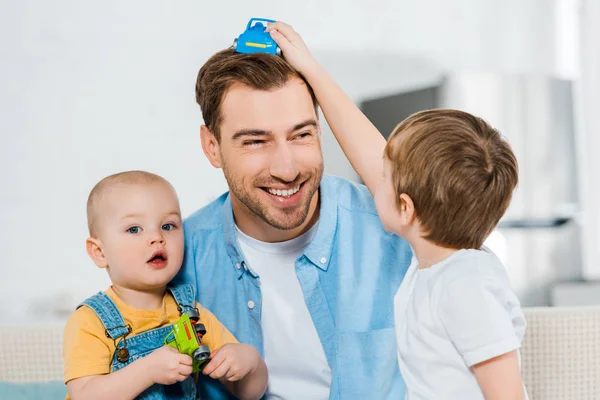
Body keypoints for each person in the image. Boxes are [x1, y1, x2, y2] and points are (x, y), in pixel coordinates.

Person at [265, 21, 528, 399]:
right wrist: (310, 68)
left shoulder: (465, 285)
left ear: (406, 208)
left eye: (384, 175)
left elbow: (507, 395)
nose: (372, 177)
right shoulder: (437, 267)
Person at [173, 30, 413, 399]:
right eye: (255, 141)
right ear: (212, 147)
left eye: (301, 135)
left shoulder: (395, 230)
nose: (287, 169)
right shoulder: (179, 258)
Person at [62, 171, 267, 400]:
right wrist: (147, 371)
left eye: (168, 226)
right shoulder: (90, 322)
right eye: (134, 229)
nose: (157, 237)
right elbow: (84, 395)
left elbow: (249, 394)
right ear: (99, 252)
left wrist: (251, 364)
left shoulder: (191, 314)